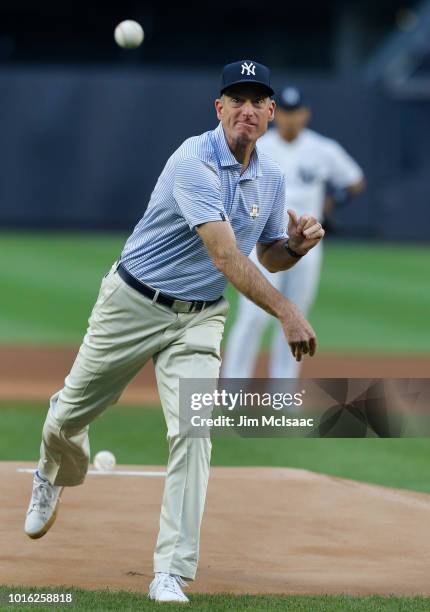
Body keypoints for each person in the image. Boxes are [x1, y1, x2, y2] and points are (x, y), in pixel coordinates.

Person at [24, 62, 325, 603]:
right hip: (133, 303)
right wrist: (286, 311)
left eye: (258, 101)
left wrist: (296, 246)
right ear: (219, 108)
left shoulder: (272, 177)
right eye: (236, 99)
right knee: (69, 414)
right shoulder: (193, 160)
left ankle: (172, 570)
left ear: (271, 113)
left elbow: (267, 253)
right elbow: (226, 253)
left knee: (194, 432)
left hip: (200, 317)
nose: (247, 110)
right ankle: (51, 473)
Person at [222, 86, 365, 380]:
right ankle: (233, 389)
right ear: (276, 114)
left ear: (305, 114)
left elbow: (354, 180)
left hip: (307, 245)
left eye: (295, 112)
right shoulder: (258, 146)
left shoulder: (323, 149)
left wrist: (332, 202)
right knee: (252, 316)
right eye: (285, 112)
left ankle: (283, 392)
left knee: (296, 315)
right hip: (262, 240)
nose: (290, 118)